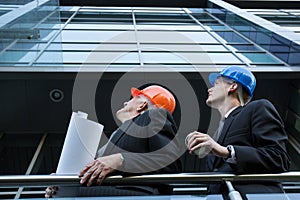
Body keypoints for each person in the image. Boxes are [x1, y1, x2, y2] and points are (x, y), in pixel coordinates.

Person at [46, 84, 182, 197]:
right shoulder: (115, 137)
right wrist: (65, 179)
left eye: (133, 98)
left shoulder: (155, 115)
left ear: (142, 105)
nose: (125, 102)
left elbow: (169, 162)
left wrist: (120, 160)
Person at [186, 66, 290, 199]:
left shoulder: (257, 108)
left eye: (216, 83)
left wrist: (227, 152)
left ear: (232, 87)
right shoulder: (217, 133)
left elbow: (278, 158)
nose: (209, 89)